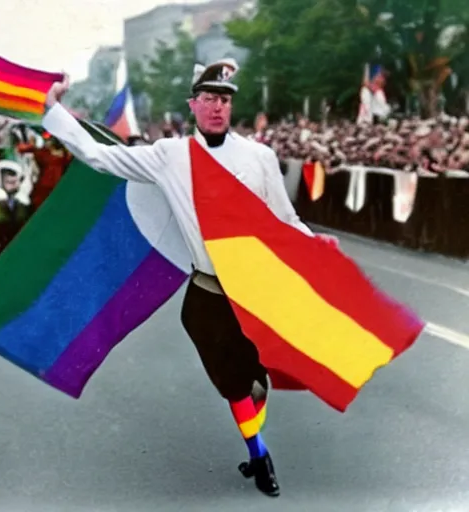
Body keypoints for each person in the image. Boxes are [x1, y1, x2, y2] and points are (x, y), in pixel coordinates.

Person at [42, 58, 334, 498]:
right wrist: (54, 113)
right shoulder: (170, 155)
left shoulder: (259, 157)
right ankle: (260, 455)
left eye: (224, 99)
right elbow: (101, 156)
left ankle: (254, 438)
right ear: (193, 105)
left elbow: (285, 218)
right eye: (209, 99)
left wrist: (314, 244)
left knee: (257, 385)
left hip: (256, 293)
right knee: (235, 384)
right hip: (208, 296)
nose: (217, 107)